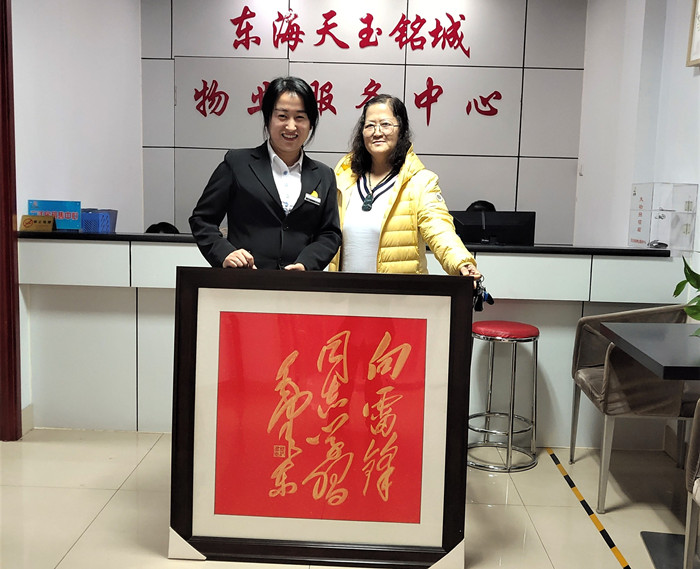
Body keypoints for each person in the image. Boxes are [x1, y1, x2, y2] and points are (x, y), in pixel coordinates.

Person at [189, 76, 341, 271]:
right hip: (245, 279)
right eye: (282, 116)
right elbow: (202, 219)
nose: (291, 126)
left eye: (300, 117)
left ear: (311, 123)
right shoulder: (237, 164)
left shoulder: (324, 175)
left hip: (299, 284)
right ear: (268, 118)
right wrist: (225, 253)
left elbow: (329, 234)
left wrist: (306, 264)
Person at [329, 94, 480, 279]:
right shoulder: (343, 177)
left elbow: (439, 229)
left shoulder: (420, 182)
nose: (377, 132)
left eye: (385, 124)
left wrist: (461, 263)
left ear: (401, 129)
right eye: (370, 125)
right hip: (344, 293)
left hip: (399, 294)